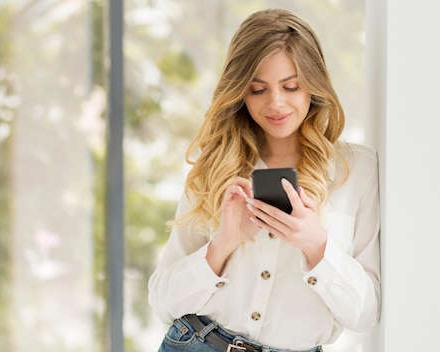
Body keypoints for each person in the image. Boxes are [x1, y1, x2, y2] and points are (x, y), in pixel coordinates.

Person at [148, 8, 380, 352]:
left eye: (291, 86)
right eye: (257, 89)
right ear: (240, 92)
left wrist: (316, 244)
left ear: (313, 87)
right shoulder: (216, 165)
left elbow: (366, 312)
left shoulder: (356, 169)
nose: (275, 103)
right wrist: (224, 243)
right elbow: (162, 302)